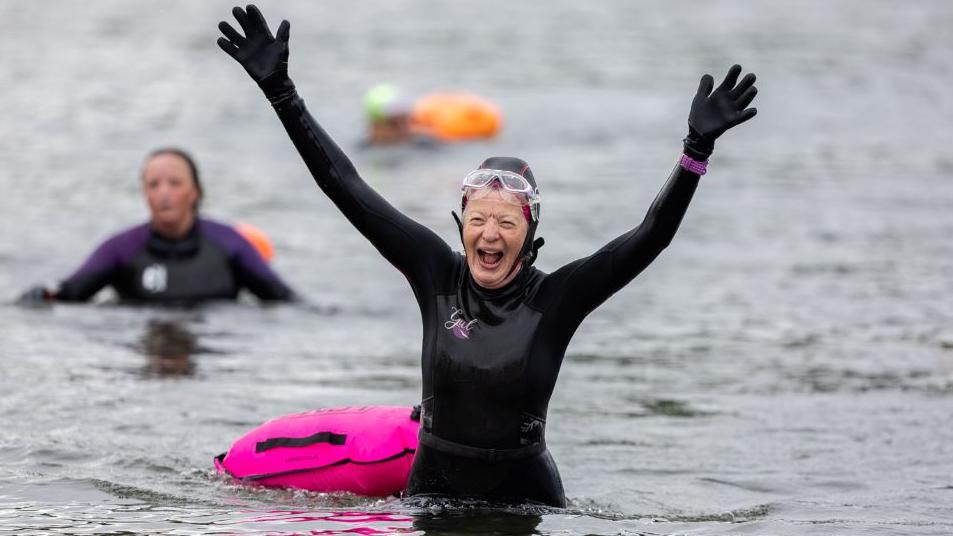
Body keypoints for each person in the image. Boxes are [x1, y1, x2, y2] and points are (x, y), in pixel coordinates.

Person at [218, 5, 757, 506]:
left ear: (529, 233)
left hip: (525, 497)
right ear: (462, 225)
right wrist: (281, 92)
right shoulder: (435, 272)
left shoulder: (558, 297)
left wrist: (695, 153)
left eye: (505, 221)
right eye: (478, 219)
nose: (489, 233)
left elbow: (650, 237)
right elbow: (345, 185)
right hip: (432, 490)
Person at [17, 148, 295, 305]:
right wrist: (41, 296)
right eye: (153, 184)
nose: (163, 193)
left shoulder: (229, 243)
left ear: (195, 192)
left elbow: (286, 301)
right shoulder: (121, 248)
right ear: (145, 194)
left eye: (174, 183)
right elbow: (68, 294)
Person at [363, 83, 502, 146]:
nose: (404, 128)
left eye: (406, 120)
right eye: (394, 124)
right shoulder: (366, 149)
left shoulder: (425, 142)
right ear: (375, 126)